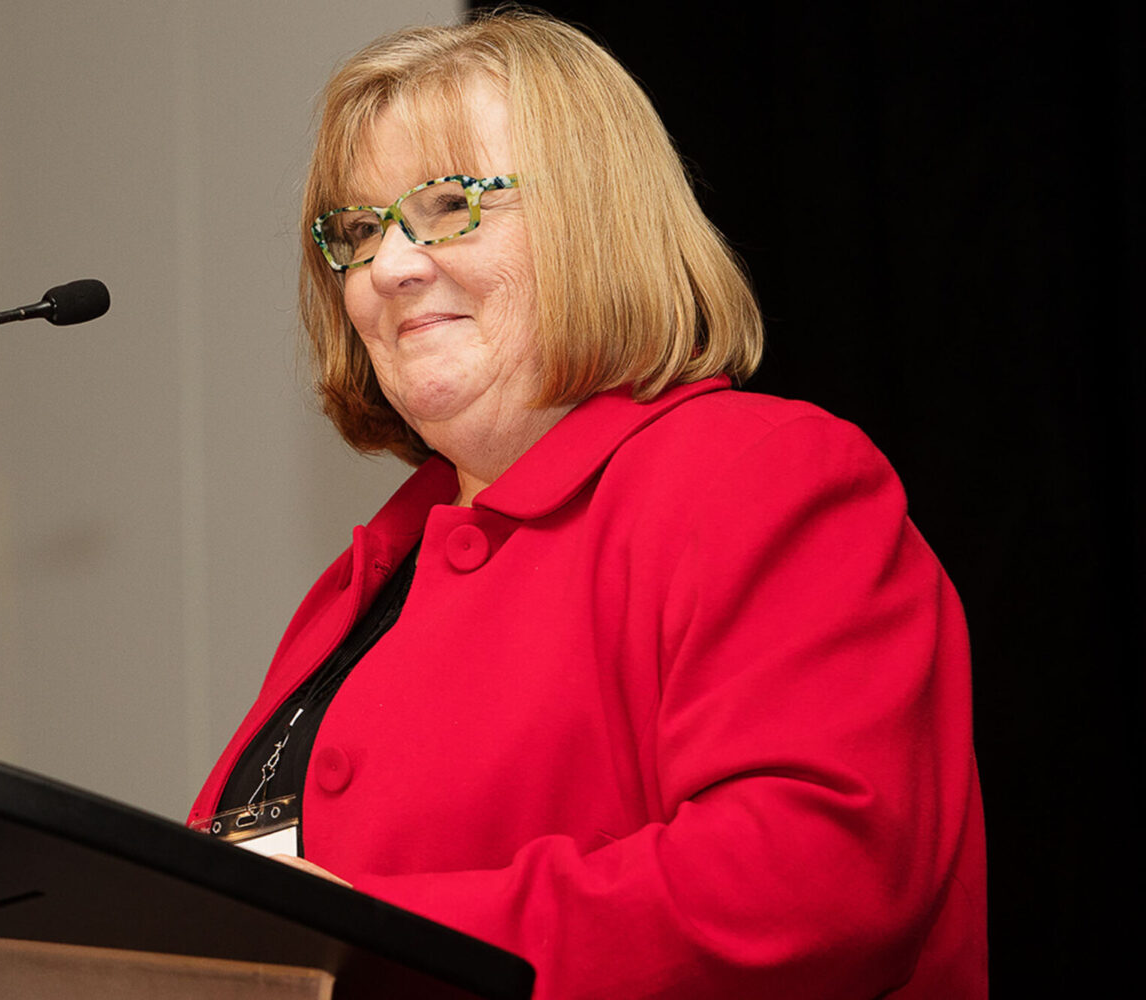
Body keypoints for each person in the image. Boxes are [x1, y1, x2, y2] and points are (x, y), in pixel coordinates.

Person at [187, 11, 987, 999]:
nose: (389, 266)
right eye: (358, 229)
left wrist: (365, 941)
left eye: (448, 204)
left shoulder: (762, 478)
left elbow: (809, 879)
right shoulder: (363, 584)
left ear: (596, 216)